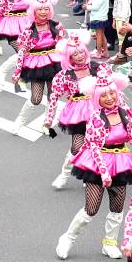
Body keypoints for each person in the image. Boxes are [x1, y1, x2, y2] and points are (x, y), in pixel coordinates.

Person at [56, 68, 132, 260]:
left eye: (112, 93)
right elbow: (95, 147)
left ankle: (109, 242)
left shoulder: (127, 114)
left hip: (120, 161)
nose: (109, 98)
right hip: (97, 164)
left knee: (117, 206)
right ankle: (68, 237)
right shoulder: (95, 119)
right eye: (104, 95)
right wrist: (105, 173)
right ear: (96, 97)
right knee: (91, 208)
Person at [11, 0, 66, 134]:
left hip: (54, 63)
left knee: (53, 96)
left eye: (46, 9)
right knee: (36, 98)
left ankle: (47, 123)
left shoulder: (57, 26)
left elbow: (63, 48)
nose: (43, 12)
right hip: (36, 65)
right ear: (33, 11)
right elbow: (22, 52)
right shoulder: (28, 29)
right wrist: (17, 73)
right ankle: (20, 121)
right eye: (40, 9)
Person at [46, 36, 95, 189]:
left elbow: (111, 90)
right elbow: (54, 96)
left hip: (98, 110)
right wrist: (49, 118)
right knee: (77, 146)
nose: (80, 56)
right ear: (69, 57)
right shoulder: (64, 75)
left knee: (96, 145)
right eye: (75, 54)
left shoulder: (97, 68)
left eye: (82, 52)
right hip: (78, 113)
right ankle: (64, 174)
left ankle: (90, 176)